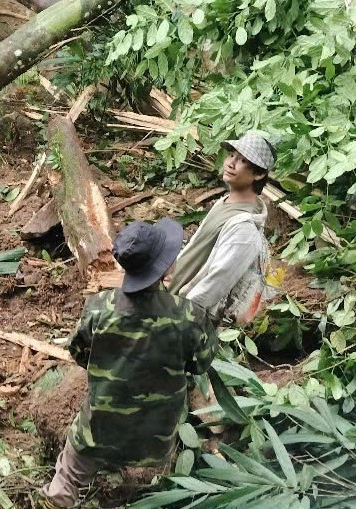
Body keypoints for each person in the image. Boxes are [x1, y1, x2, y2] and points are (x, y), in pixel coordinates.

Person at [41, 219, 216, 508]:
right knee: (148, 487)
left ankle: (59, 500)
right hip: (156, 439)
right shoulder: (188, 316)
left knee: (68, 475)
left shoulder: (98, 307)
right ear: (165, 267)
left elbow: (79, 353)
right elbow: (200, 364)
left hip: (99, 430)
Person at [169, 131, 277, 325]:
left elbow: (216, 282)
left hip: (185, 315)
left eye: (243, 161)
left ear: (259, 173)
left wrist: (180, 318)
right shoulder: (224, 203)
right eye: (232, 155)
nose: (230, 163)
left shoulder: (245, 229)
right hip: (173, 298)